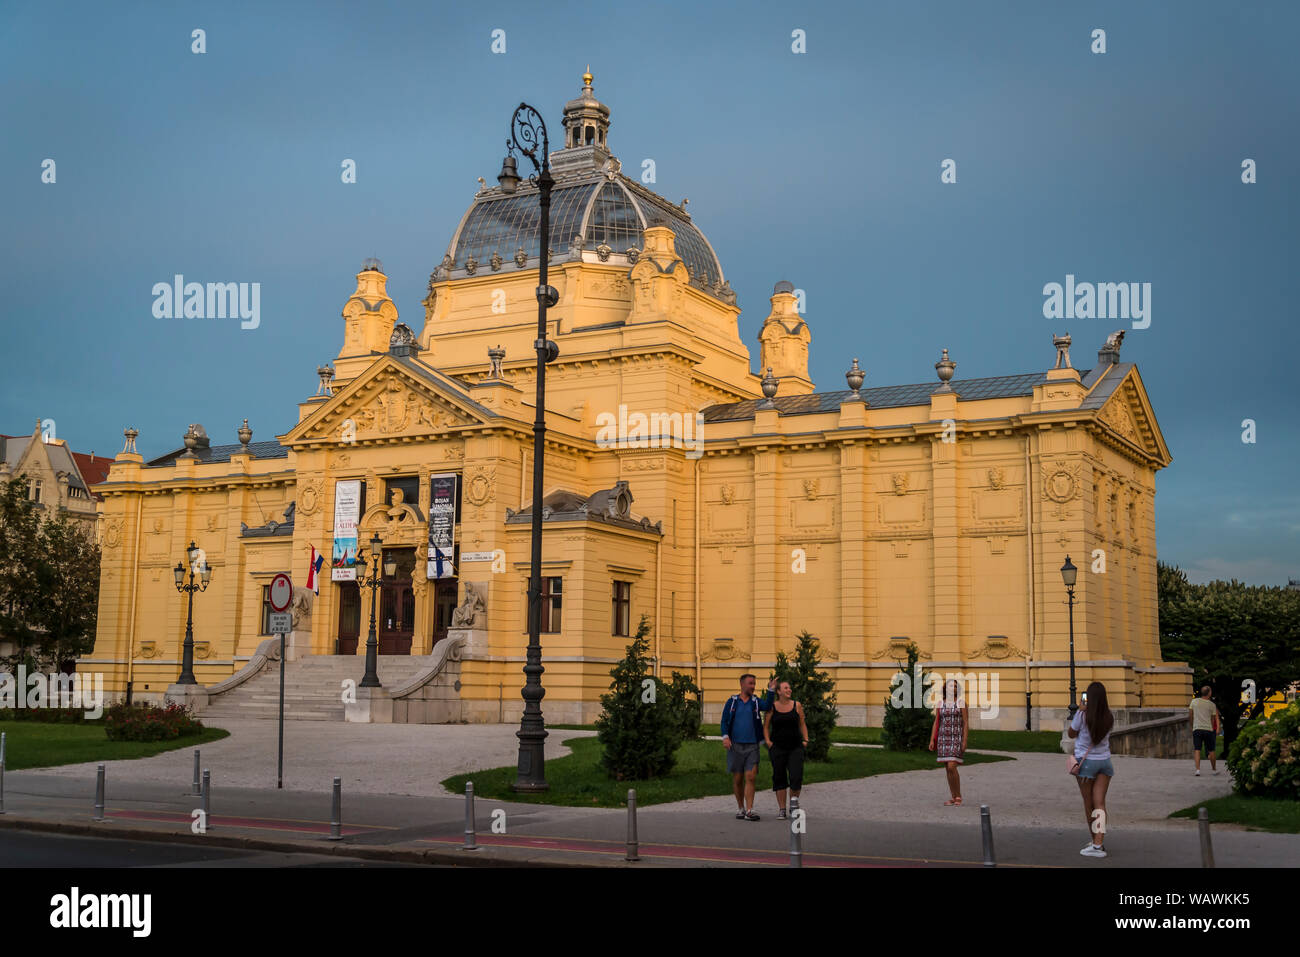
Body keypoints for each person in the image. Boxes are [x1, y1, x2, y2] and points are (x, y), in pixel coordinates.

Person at [720, 673, 776, 821]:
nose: (753, 686)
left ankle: (750, 810)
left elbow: (768, 706)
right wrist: (725, 737)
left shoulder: (755, 702)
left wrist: (771, 690)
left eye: (754, 684)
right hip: (735, 746)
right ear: (742, 684)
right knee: (738, 779)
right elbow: (724, 721)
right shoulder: (732, 702)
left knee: (750, 777)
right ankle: (741, 808)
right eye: (750, 683)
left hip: (752, 746)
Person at [1069, 681, 1115, 859]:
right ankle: (1098, 842)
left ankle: (1096, 844)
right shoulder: (1108, 716)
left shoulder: (1082, 715)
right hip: (1104, 761)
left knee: (1089, 804)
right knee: (1100, 803)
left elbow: (1071, 734)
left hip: (1086, 763)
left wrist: (1080, 710)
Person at [764, 680, 809, 820]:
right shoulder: (772, 707)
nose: (789, 690)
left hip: (795, 747)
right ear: (778, 691)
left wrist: (806, 740)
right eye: (786, 688)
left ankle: (793, 806)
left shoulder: (797, 705)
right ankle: (782, 809)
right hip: (777, 747)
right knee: (779, 778)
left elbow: (802, 723)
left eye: (789, 687)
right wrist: (768, 742)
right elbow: (765, 726)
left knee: (796, 777)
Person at [928, 678, 968, 805]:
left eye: (956, 686)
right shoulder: (940, 704)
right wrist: (932, 740)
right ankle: (953, 796)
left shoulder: (961, 703)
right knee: (947, 768)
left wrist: (964, 741)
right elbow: (936, 722)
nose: (953, 688)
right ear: (946, 688)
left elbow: (966, 723)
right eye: (951, 686)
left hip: (956, 738)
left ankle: (959, 796)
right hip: (942, 738)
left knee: (952, 766)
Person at [1188, 685, 1220, 776]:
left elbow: (1190, 714)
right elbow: (1212, 719)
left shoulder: (1194, 701)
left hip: (1197, 728)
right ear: (1209, 693)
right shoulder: (1212, 705)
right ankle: (1214, 770)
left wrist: (1192, 724)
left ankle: (1198, 770)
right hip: (1208, 729)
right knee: (1211, 750)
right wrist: (1210, 726)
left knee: (1197, 749)